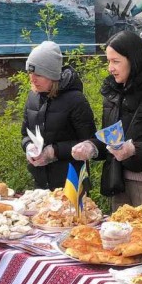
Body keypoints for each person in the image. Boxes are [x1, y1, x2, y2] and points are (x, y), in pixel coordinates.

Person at [71, 30, 142, 213]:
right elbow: (110, 139)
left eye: (116, 61)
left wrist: (134, 149)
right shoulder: (113, 94)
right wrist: (91, 147)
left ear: (134, 60)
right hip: (118, 181)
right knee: (120, 239)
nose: (110, 68)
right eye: (108, 61)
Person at [21, 41, 96, 190]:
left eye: (38, 74)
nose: (32, 79)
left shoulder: (75, 100)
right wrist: (29, 146)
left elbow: (91, 143)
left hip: (71, 183)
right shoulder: (32, 97)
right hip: (41, 183)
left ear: (52, 75)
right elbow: (25, 134)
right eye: (30, 73)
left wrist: (54, 151)